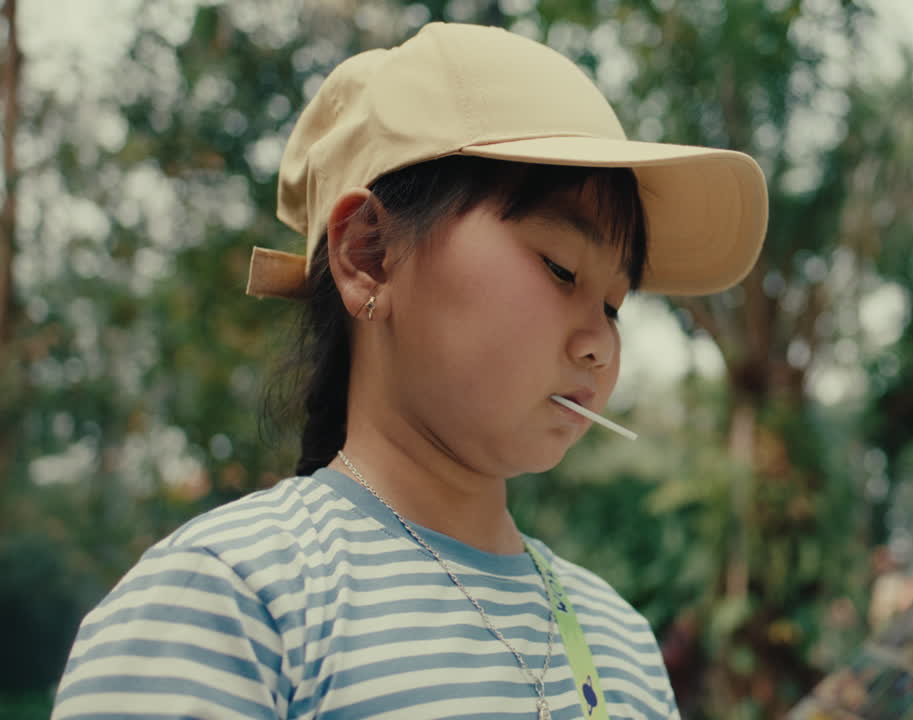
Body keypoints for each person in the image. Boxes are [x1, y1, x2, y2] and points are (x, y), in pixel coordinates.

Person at [52, 22, 766, 719]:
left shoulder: (621, 644)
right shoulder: (231, 606)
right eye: (561, 268)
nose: (599, 345)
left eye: (614, 304)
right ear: (368, 254)